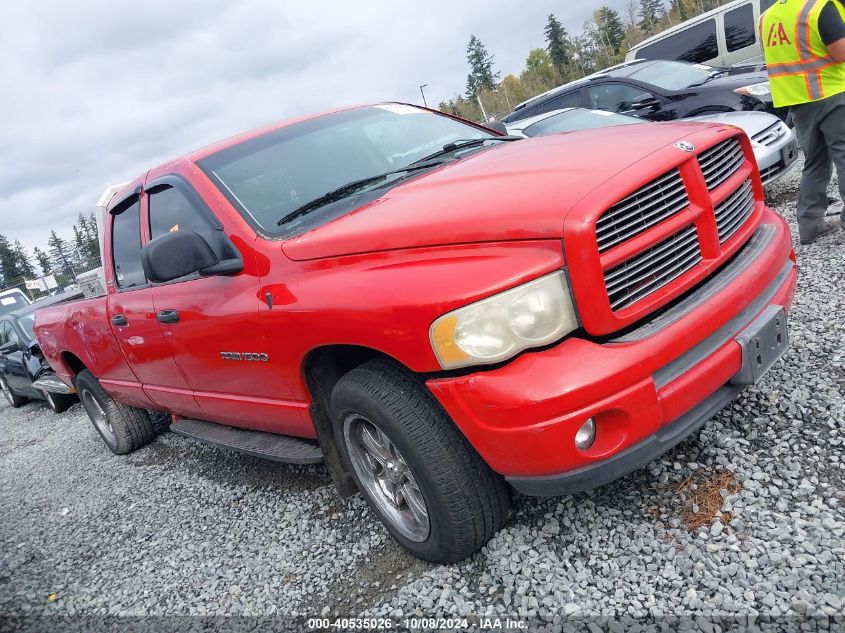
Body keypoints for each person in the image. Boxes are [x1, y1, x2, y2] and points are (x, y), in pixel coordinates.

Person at [761, 0, 845, 244]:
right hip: (832, 94)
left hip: (797, 101)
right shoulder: (819, 8)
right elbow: (840, 52)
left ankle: (809, 225)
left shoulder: (767, 17)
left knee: (815, 162)